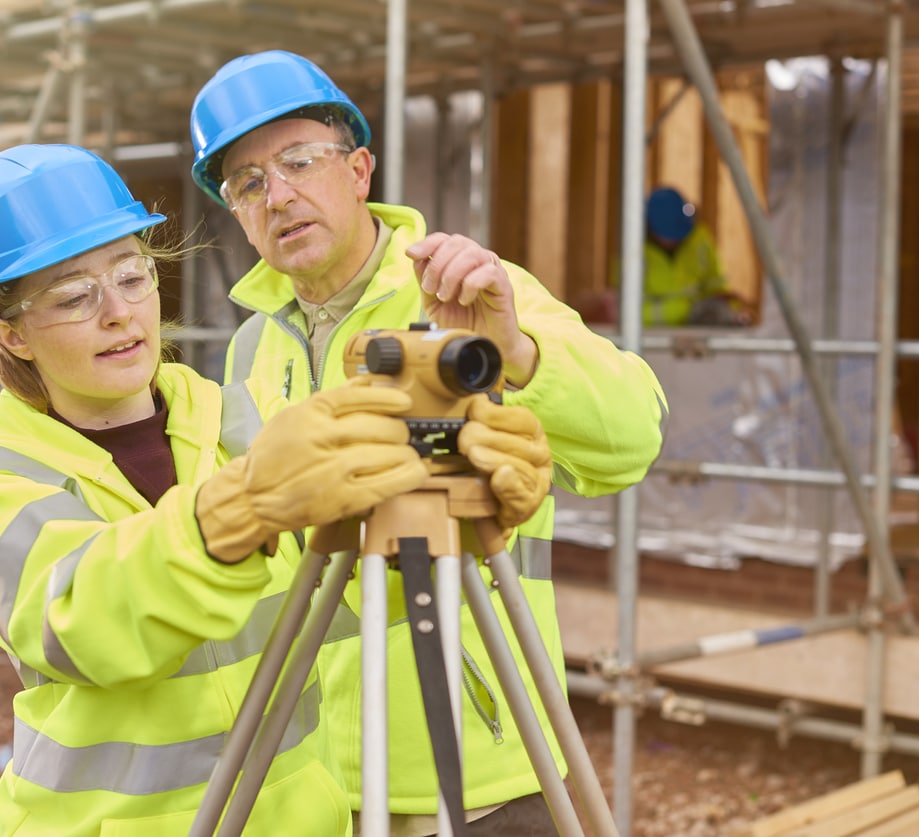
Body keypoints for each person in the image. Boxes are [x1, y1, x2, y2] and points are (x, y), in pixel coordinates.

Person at [189, 50, 668, 835]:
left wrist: (516, 350)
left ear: (360, 170)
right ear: (237, 213)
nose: (278, 195)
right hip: (308, 778)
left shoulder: (467, 294)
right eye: (247, 182)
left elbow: (632, 436)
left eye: (299, 160)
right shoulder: (249, 350)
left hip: (478, 775)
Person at [0, 142, 442, 835]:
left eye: (132, 276)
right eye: (74, 296)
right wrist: (233, 513)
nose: (119, 312)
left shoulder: (239, 421)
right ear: (11, 335)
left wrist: (449, 510)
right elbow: (90, 624)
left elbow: (344, 598)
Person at [624, 185, 749, 327]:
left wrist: (729, 308)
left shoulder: (699, 240)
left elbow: (716, 287)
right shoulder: (633, 249)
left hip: (699, 330)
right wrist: (687, 310)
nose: (676, 239)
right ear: (650, 228)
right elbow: (626, 310)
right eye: (668, 233)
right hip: (650, 335)